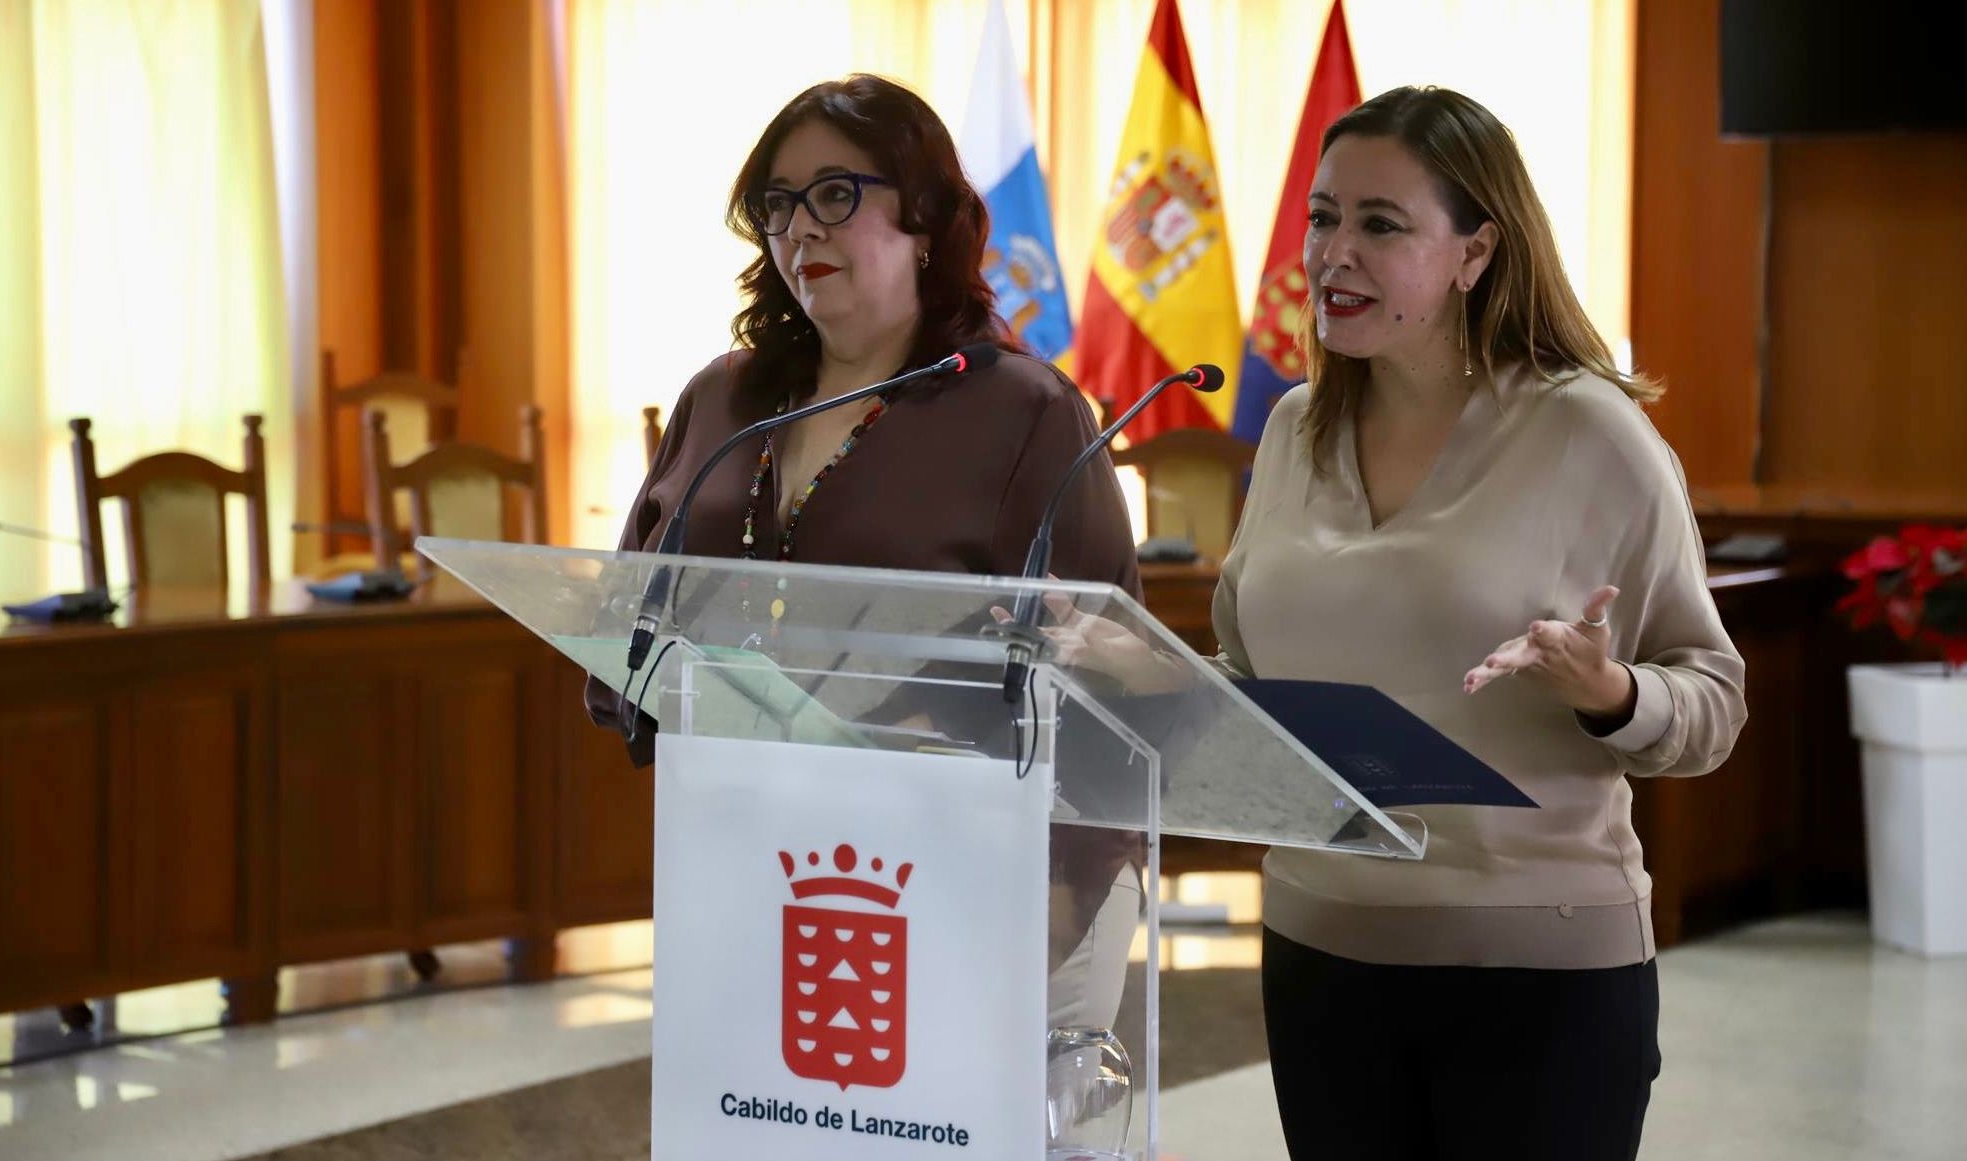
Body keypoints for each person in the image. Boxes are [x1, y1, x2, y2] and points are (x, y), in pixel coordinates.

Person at [1025, 86, 1747, 1160]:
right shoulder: (1292, 430)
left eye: (1379, 224)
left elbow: (1713, 700)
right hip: (1321, 952)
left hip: (1537, 969)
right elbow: (1260, 685)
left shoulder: (1590, 432)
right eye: (1321, 218)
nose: (1331, 254)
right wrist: (1146, 668)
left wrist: (1613, 693)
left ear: (1474, 251)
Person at [581, 73, 1144, 1029]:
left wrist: (1058, 897)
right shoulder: (721, 399)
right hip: (750, 853)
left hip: (978, 869)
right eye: (777, 203)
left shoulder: (1020, 408)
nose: (801, 228)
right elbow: (629, 618)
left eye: (835, 194)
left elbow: (1104, 671)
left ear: (923, 220)